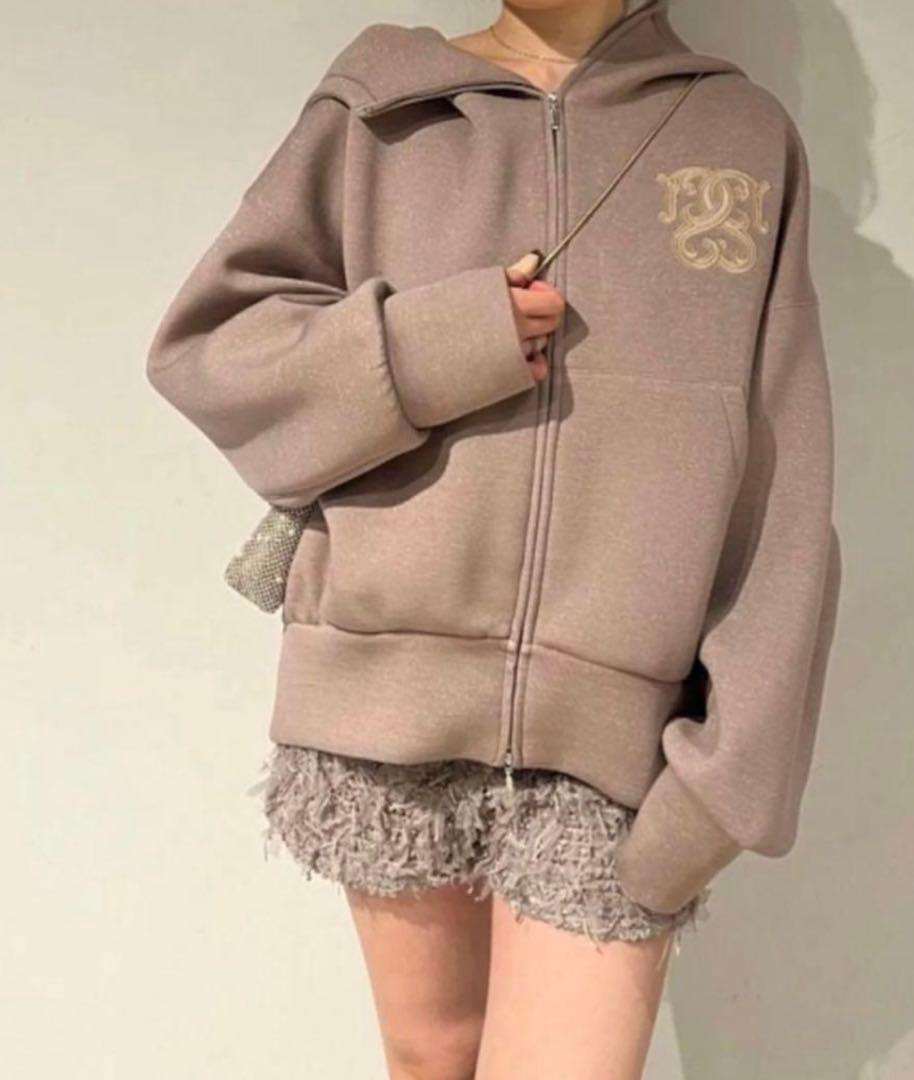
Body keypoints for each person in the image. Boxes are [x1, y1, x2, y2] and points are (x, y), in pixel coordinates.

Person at [145, 0, 842, 1074]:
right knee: (433, 1061)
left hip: (617, 745)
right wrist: (439, 341)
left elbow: (784, 482)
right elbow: (211, 350)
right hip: (384, 713)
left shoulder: (737, 134)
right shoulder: (382, 104)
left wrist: (729, 780)